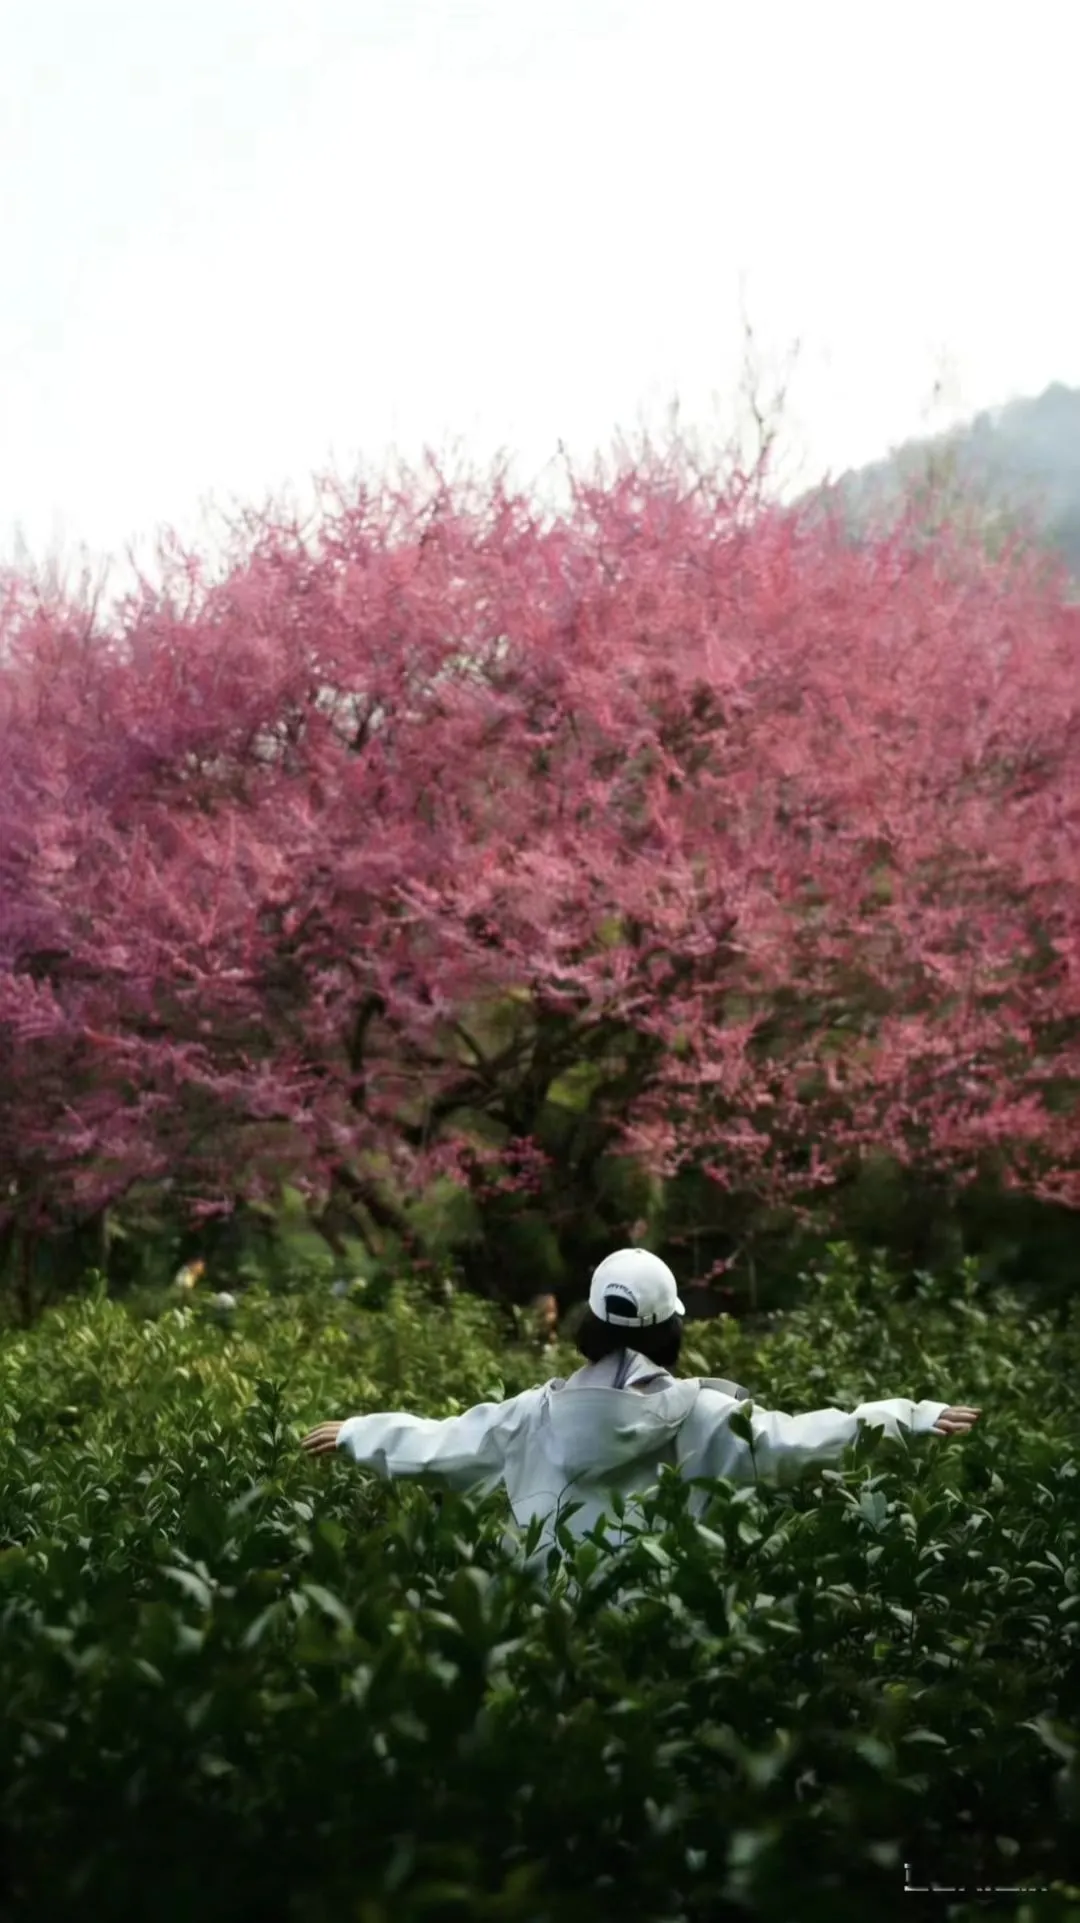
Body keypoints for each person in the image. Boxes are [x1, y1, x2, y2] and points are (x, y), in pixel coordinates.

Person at [301, 1248, 982, 1559]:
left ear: (591, 1322)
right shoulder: (708, 1414)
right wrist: (908, 1417)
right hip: (668, 1627)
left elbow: (442, 1443)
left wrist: (361, 1432)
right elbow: (797, 1439)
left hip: (549, 1629)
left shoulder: (532, 1414)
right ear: (672, 1327)